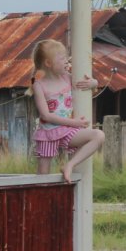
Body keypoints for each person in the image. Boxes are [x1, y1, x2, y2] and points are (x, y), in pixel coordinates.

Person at [28, 39, 104, 181]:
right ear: (48, 63)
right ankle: (42, 198)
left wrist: (94, 83)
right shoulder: (39, 84)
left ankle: (70, 165)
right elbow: (45, 115)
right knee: (43, 174)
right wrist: (73, 122)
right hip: (48, 132)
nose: (66, 61)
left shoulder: (67, 78)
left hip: (68, 131)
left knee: (98, 136)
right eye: (62, 58)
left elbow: (88, 86)